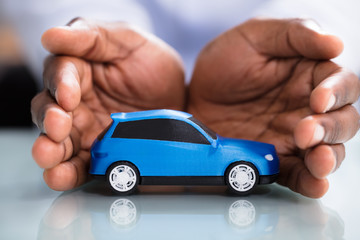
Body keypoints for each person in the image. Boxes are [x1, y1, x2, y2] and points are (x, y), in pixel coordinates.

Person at [25, 2, 360, 198]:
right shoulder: (130, 141)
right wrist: (97, 41)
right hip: (100, 92)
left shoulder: (125, 135)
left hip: (279, 92)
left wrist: (305, 45)